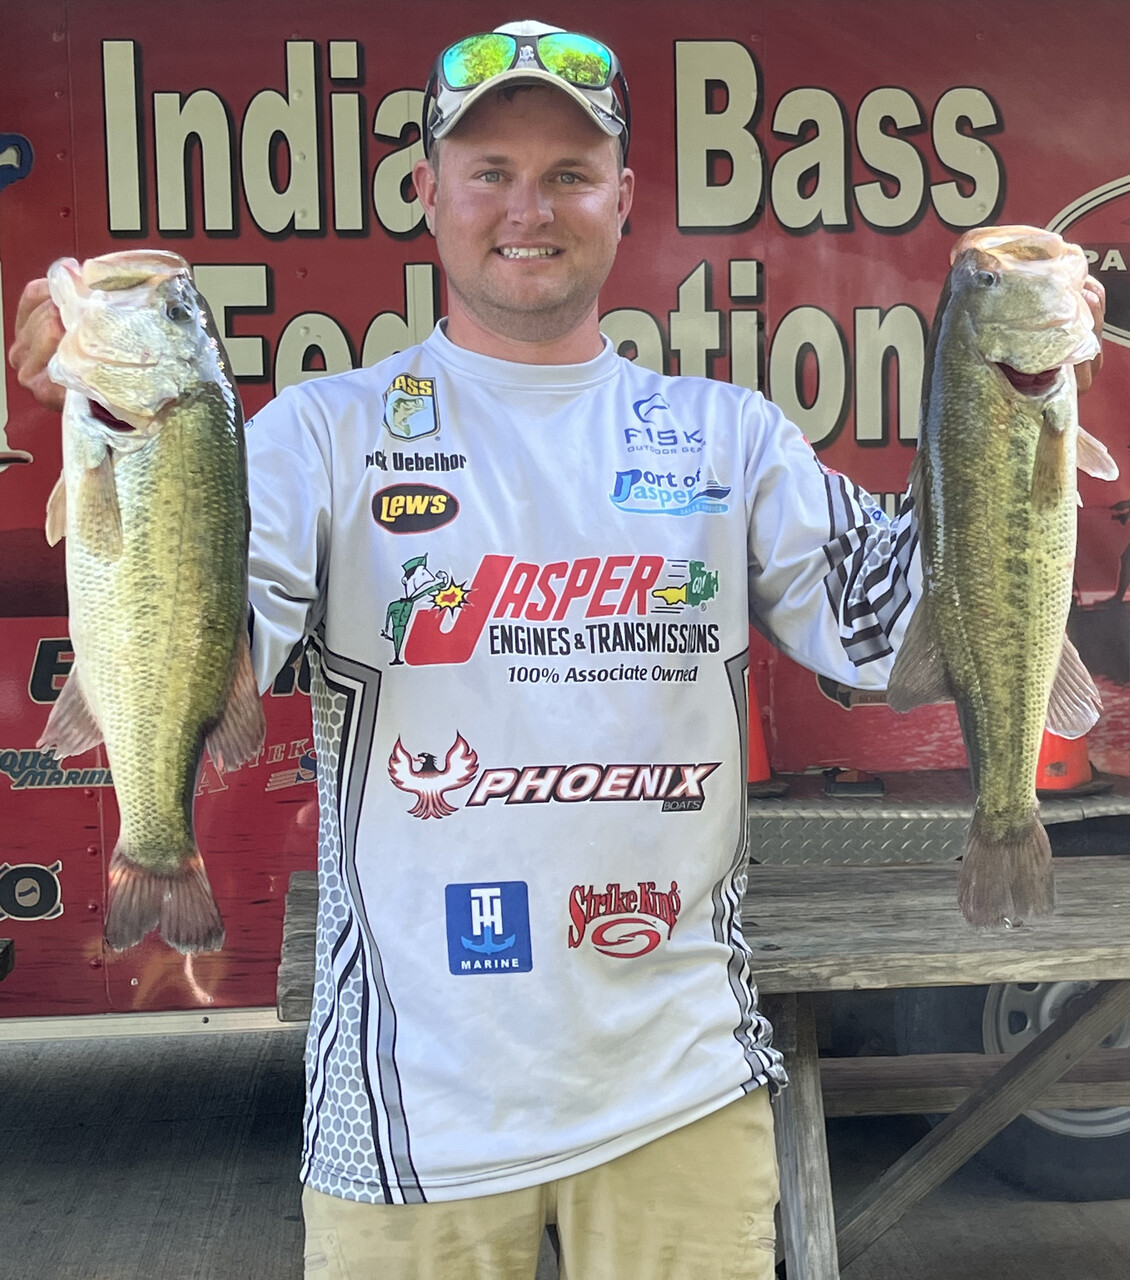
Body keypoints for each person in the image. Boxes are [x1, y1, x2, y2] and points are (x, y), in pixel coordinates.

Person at [7, 20, 1106, 1280]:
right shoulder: (317, 437)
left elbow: (882, 625)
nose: (526, 209)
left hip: (682, 1095)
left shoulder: (728, 437)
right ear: (427, 192)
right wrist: (119, 436)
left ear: (622, 198)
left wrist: (1001, 400)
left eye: (568, 174)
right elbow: (208, 646)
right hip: (405, 1118)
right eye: (489, 171)